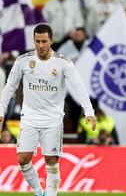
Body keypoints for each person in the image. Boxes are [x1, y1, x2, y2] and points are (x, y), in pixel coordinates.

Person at [0, 23, 96, 196]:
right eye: (37, 41)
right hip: (29, 117)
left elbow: (78, 86)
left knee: (51, 161)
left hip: (53, 119)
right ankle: (39, 192)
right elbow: (9, 87)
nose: (40, 45)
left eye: (44, 41)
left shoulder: (62, 62)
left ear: (51, 41)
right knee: (23, 159)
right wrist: (1, 112)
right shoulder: (23, 61)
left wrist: (89, 112)